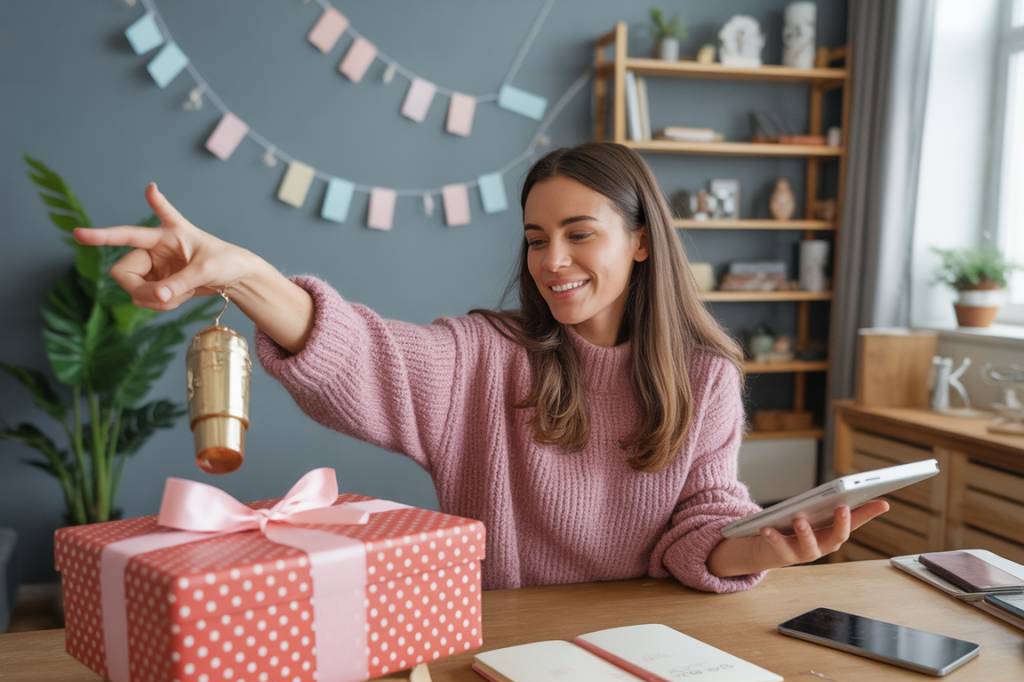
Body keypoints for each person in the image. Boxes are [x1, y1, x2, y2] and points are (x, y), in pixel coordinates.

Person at [72, 142, 888, 592]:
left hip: (651, 641)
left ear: (641, 242)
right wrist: (245, 276)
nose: (552, 260)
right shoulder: (485, 357)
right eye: (536, 239)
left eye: (579, 234)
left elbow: (701, 528)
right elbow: (367, 354)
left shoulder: (707, 378)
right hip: (505, 645)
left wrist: (765, 550)